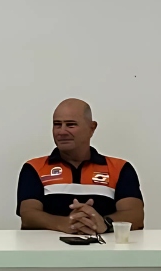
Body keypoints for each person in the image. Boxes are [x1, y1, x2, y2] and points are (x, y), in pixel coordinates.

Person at [17, 98, 144, 234]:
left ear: (92, 128)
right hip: (48, 248)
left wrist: (103, 223)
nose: (62, 131)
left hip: (105, 247)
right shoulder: (34, 168)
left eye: (71, 125)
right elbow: (28, 216)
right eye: (57, 124)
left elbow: (135, 216)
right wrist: (66, 224)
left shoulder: (120, 168)